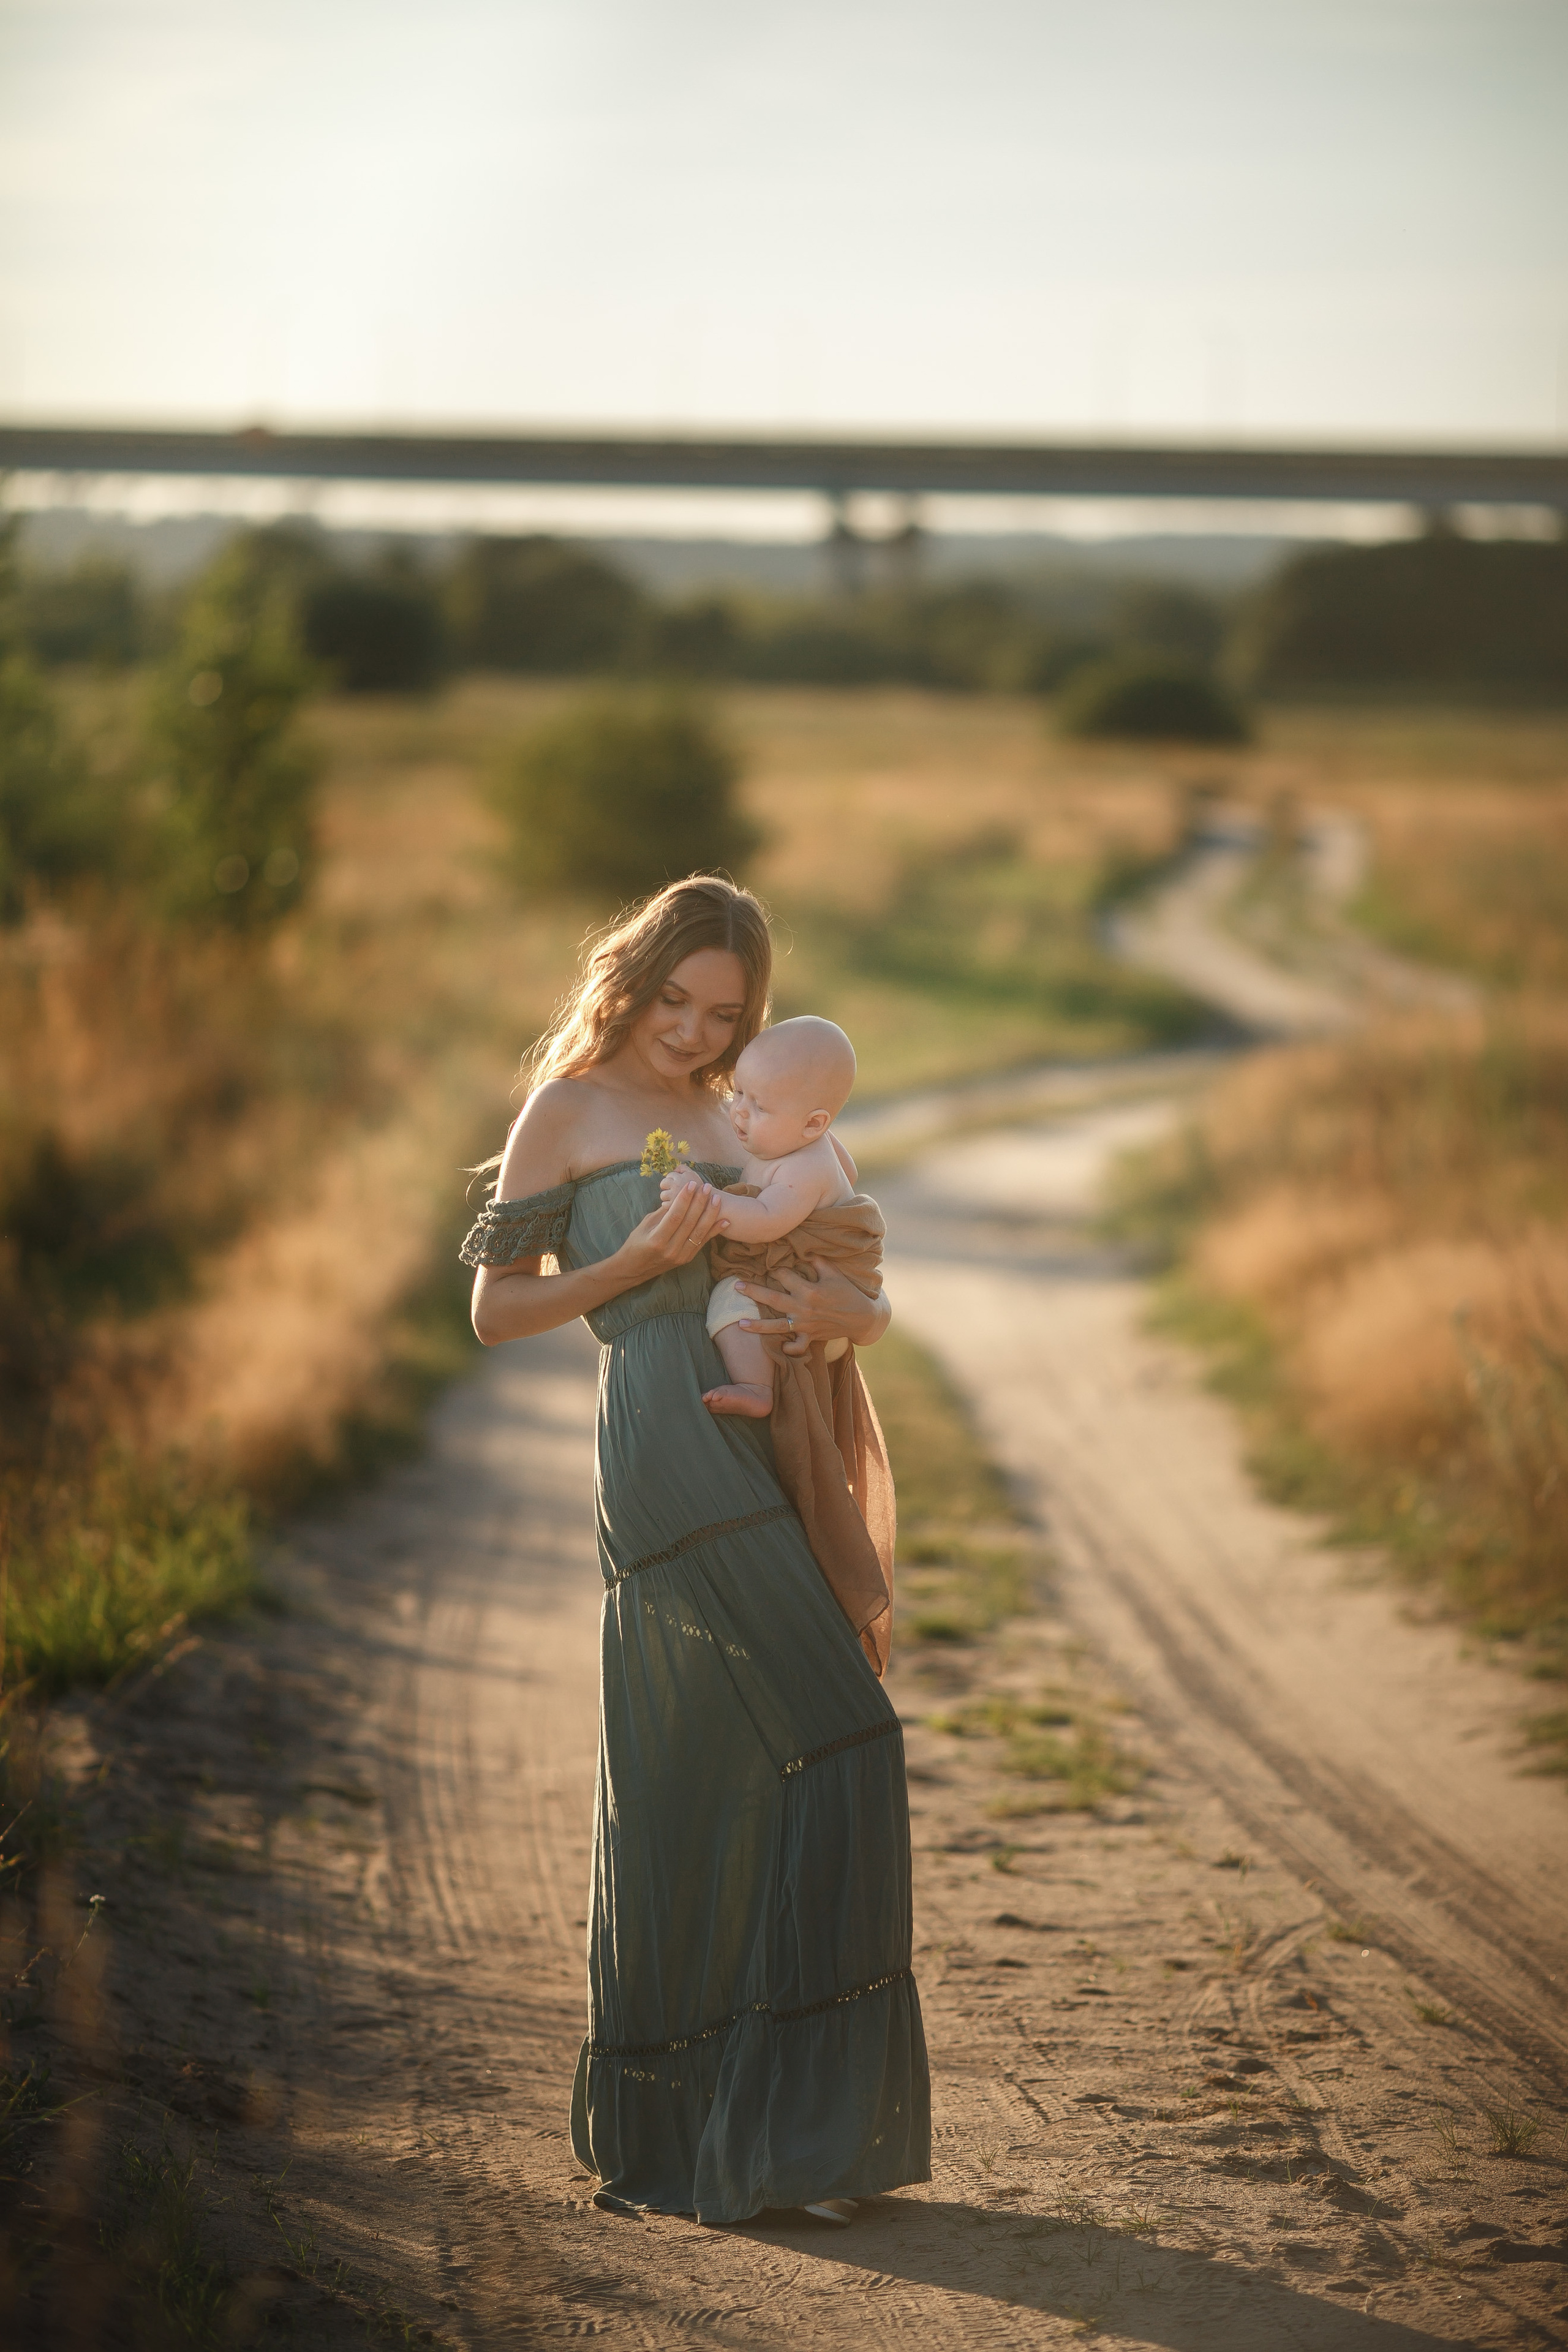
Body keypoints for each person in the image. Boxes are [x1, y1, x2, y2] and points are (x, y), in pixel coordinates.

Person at [461, 875, 930, 2229]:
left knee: (741, 1759)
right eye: (674, 1000)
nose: (691, 1032)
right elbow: (495, 1312)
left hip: (776, 1429)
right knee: (831, 1731)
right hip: (666, 1436)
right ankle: (712, 2128)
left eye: (723, 1012)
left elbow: (838, 1272)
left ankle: (783, 2128)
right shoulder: (569, 1110)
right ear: (633, 976)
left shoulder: (741, 1116)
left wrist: (861, 1313)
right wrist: (630, 1265)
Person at [662, 1014, 860, 1419]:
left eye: (760, 1106)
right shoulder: (806, 1141)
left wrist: (703, 1197)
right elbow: (851, 1173)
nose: (739, 1113)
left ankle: (755, 1386)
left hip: (807, 1295)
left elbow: (766, 1220)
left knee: (733, 1298)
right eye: (738, 1093)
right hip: (816, 1303)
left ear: (814, 1124)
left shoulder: (805, 1167)